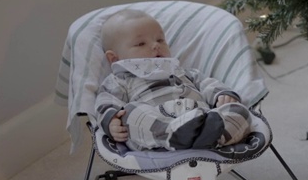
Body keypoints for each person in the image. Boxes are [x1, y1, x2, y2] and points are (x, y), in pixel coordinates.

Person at [96, 8, 257, 151]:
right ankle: (174, 135)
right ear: (114, 58)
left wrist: (221, 94)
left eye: (160, 40)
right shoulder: (118, 80)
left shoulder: (181, 71)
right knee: (130, 113)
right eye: (140, 43)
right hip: (157, 132)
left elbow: (206, 83)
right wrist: (111, 121)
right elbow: (105, 102)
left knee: (239, 110)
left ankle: (208, 137)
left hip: (200, 118)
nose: (155, 46)